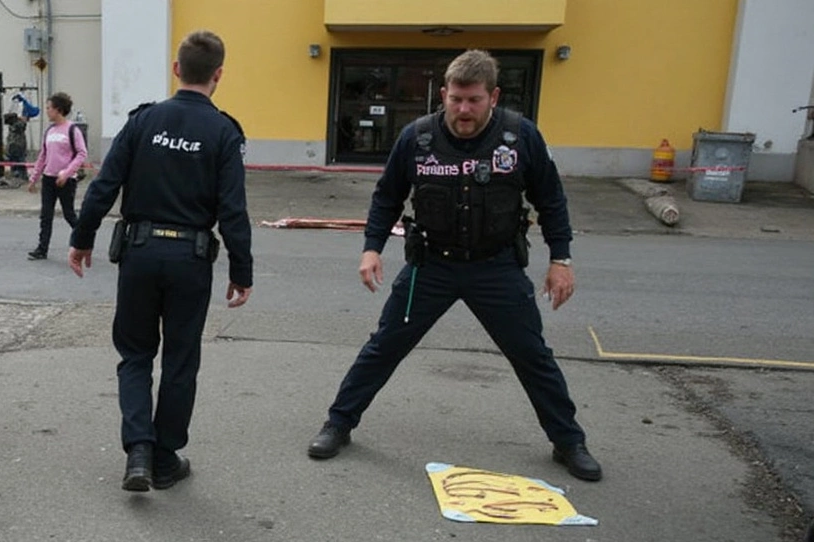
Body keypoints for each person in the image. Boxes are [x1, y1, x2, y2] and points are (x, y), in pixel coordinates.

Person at [306, 49, 602, 482]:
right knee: (384, 345)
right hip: (432, 266)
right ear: (443, 93)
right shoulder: (417, 138)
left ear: (494, 97)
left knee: (533, 355)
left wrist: (561, 260)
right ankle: (338, 423)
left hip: (496, 268)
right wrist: (371, 248)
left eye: (474, 100)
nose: (463, 109)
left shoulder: (521, 138)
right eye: (456, 99)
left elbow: (551, 201)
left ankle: (568, 441)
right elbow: (387, 196)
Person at [67, 30, 253, 492]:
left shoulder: (144, 121)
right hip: (190, 259)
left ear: (176, 70)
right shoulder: (225, 132)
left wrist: (82, 237)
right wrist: (241, 270)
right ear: (218, 76)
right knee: (180, 358)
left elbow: (105, 184)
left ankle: (138, 453)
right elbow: (233, 210)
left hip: (140, 253)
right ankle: (166, 457)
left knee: (134, 353)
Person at [26, 92, 87, 260]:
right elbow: (43, 155)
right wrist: (34, 177)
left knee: (69, 214)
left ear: (58, 110)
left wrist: (67, 173)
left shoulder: (72, 129)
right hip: (49, 178)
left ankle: (83, 242)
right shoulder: (49, 131)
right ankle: (42, 249)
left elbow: (82, 153)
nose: (47, 111)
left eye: (49, 108)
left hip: (65, 180)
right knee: (46, 215)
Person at [4, 111, 29, 181]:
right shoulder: (15, 125)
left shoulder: (17, 125)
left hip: (17, 146)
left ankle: (21, 175)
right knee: (16, 160)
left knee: (19, 160)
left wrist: (22, 120)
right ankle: (18, 174)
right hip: (16, 145)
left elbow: (22, 125)